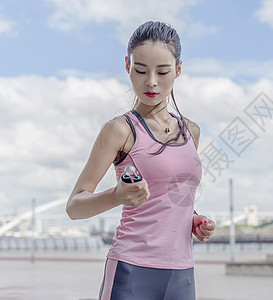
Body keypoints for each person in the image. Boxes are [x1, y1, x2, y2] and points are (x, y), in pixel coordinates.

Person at [66, 20, 215, 300]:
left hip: (182, 274)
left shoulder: (191, 131)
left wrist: (193, 220)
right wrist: (118, 195)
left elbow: (171, 199)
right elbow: (74, 208)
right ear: (127, 66)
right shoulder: (119, 130)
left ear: (178, 70)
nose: (151, 82)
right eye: (141, 70)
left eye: (162, 71)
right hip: (131, 272)